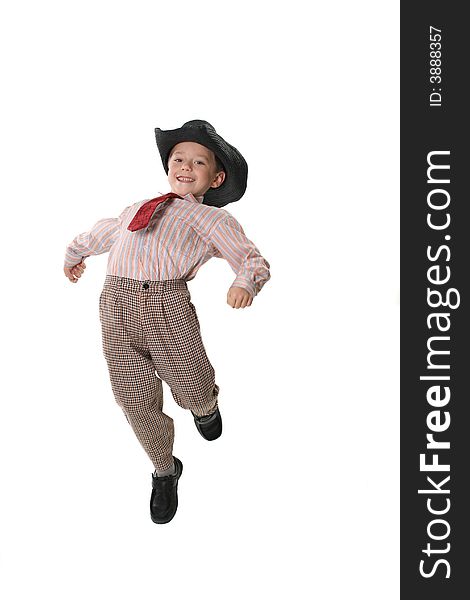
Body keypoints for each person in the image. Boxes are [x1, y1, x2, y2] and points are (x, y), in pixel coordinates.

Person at [63, 120, 270, 524]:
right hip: (115, 309)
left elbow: (251, 258)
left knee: (190, 377)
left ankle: (203, 405)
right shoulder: (137, 209)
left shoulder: (212, 220)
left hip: (166, 306)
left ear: (216, 177)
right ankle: (164, 467)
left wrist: (244, 283)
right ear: (167, 165)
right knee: (133, 398)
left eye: (198, 161)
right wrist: (75, 252)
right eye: (178, 158)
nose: (185, 167)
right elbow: (105, 232)